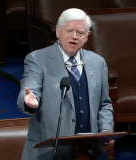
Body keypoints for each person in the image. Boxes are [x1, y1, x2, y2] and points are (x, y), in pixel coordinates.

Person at [17, 8, 114, 160]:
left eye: (80, 33)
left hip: (88, 151)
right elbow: (30, 87)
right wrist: (29, 100)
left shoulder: (98, 62)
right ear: (57, 31)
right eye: (69, 31)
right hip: (48, 151)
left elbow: (104, 104)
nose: (74, 37)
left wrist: (106, 130)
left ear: (87, 36)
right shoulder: (37, 59)